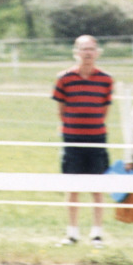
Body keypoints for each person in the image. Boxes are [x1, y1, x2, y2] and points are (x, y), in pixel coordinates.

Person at [53, 35, 112, 248]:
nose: (87, 53)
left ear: (97, 52)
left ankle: (97, 234)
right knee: (73, 187)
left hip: (97, 139)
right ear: (76, 52)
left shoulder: (106, 79)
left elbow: (104, 109)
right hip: (72, 139)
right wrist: (73, 127)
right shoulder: (64, 78)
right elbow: (61, 110)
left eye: (91, 49)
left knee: (97, 187)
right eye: (83, 49)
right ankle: (72, 234)